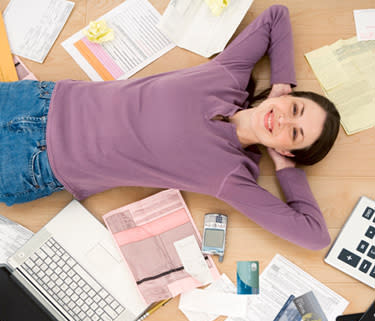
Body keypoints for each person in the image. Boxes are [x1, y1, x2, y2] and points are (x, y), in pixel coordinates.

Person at [0, 5, 340, 250]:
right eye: (295, 109)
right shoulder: (228, 75)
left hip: (36, 164)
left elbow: (315, 235)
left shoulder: (231, 176)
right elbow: (276, 17)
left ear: (286, 149)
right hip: (38, 99)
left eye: (294, 132)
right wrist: (282, 85)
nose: (282, 118)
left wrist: (286, 170)